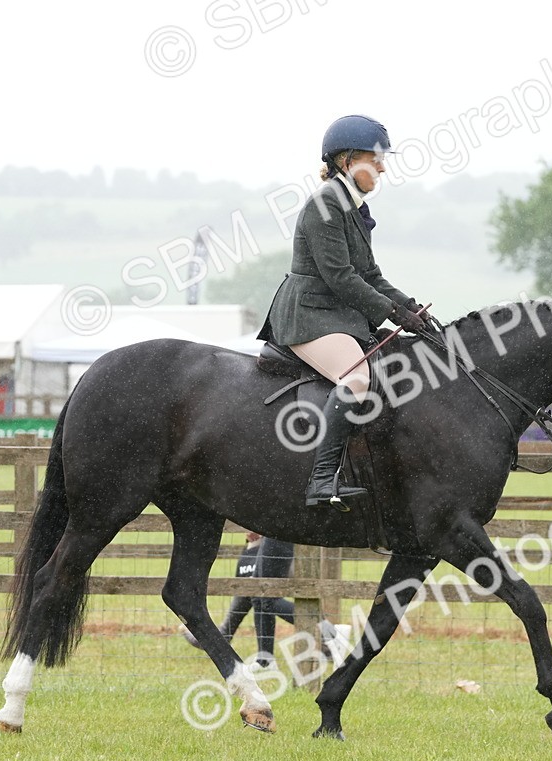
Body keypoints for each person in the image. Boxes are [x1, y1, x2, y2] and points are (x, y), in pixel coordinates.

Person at [258, 114, 430, 510]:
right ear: (348, 162)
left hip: (334, 314)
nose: (383, 167)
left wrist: (409, 306)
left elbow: (370, 274)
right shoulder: (326, 205)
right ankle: (321, 480)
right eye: (376, 158)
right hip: (309, 314)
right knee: (355, 378)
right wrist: (392, 314)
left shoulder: (352, 207)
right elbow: (340, 278)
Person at [181, 533, 351, 668]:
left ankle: (332, 633)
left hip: (278, 529)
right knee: (258, 594)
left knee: (267, 599)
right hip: (273, 529)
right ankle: (265, 660)